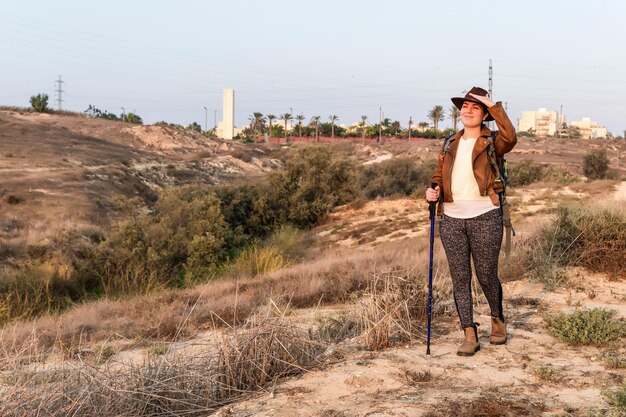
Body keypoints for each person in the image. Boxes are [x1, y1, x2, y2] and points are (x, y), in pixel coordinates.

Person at [425, 86, 517, 356]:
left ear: (485, 113)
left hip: (485, 215)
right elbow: (439, 175)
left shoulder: (494, 141)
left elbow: (511, 137)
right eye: (465, 106)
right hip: (451, 218)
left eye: (475, 107)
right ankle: (469, 332)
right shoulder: (449, 143)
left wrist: (493, 104)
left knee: (487, 274)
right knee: (460, 278)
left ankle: (497, 318)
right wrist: (433, 190)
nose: (468, 110)